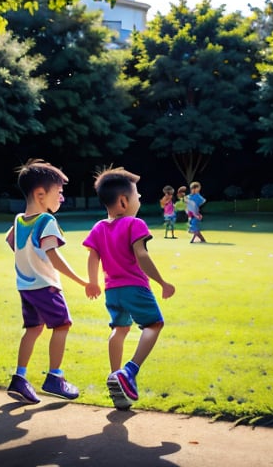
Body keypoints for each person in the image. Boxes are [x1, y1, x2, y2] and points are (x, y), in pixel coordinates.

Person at [83, 167, 175, 410]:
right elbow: (142, 256)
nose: (140, 198)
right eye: (137, 195)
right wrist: (162, 282)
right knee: (154, 324)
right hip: (135, 287)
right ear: (123, 201)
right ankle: (129, 372)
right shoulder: (135, 224)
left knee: (120, 329)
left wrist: (92, 282)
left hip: (112, 291)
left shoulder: (98, 227)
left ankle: (116, 380)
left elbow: (93, 257)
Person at [6, 159, 89, 405]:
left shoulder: (19, 219)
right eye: (59, 193)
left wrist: (29, 261)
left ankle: (20, 377)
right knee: (62, 325)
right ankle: (55, 376)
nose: (62, 198)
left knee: (33, 329)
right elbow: (54, 256)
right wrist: (81, 281)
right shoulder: (46, 221)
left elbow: (13, 243)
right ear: (41, 194)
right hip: (45, 286)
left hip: (25, 286)